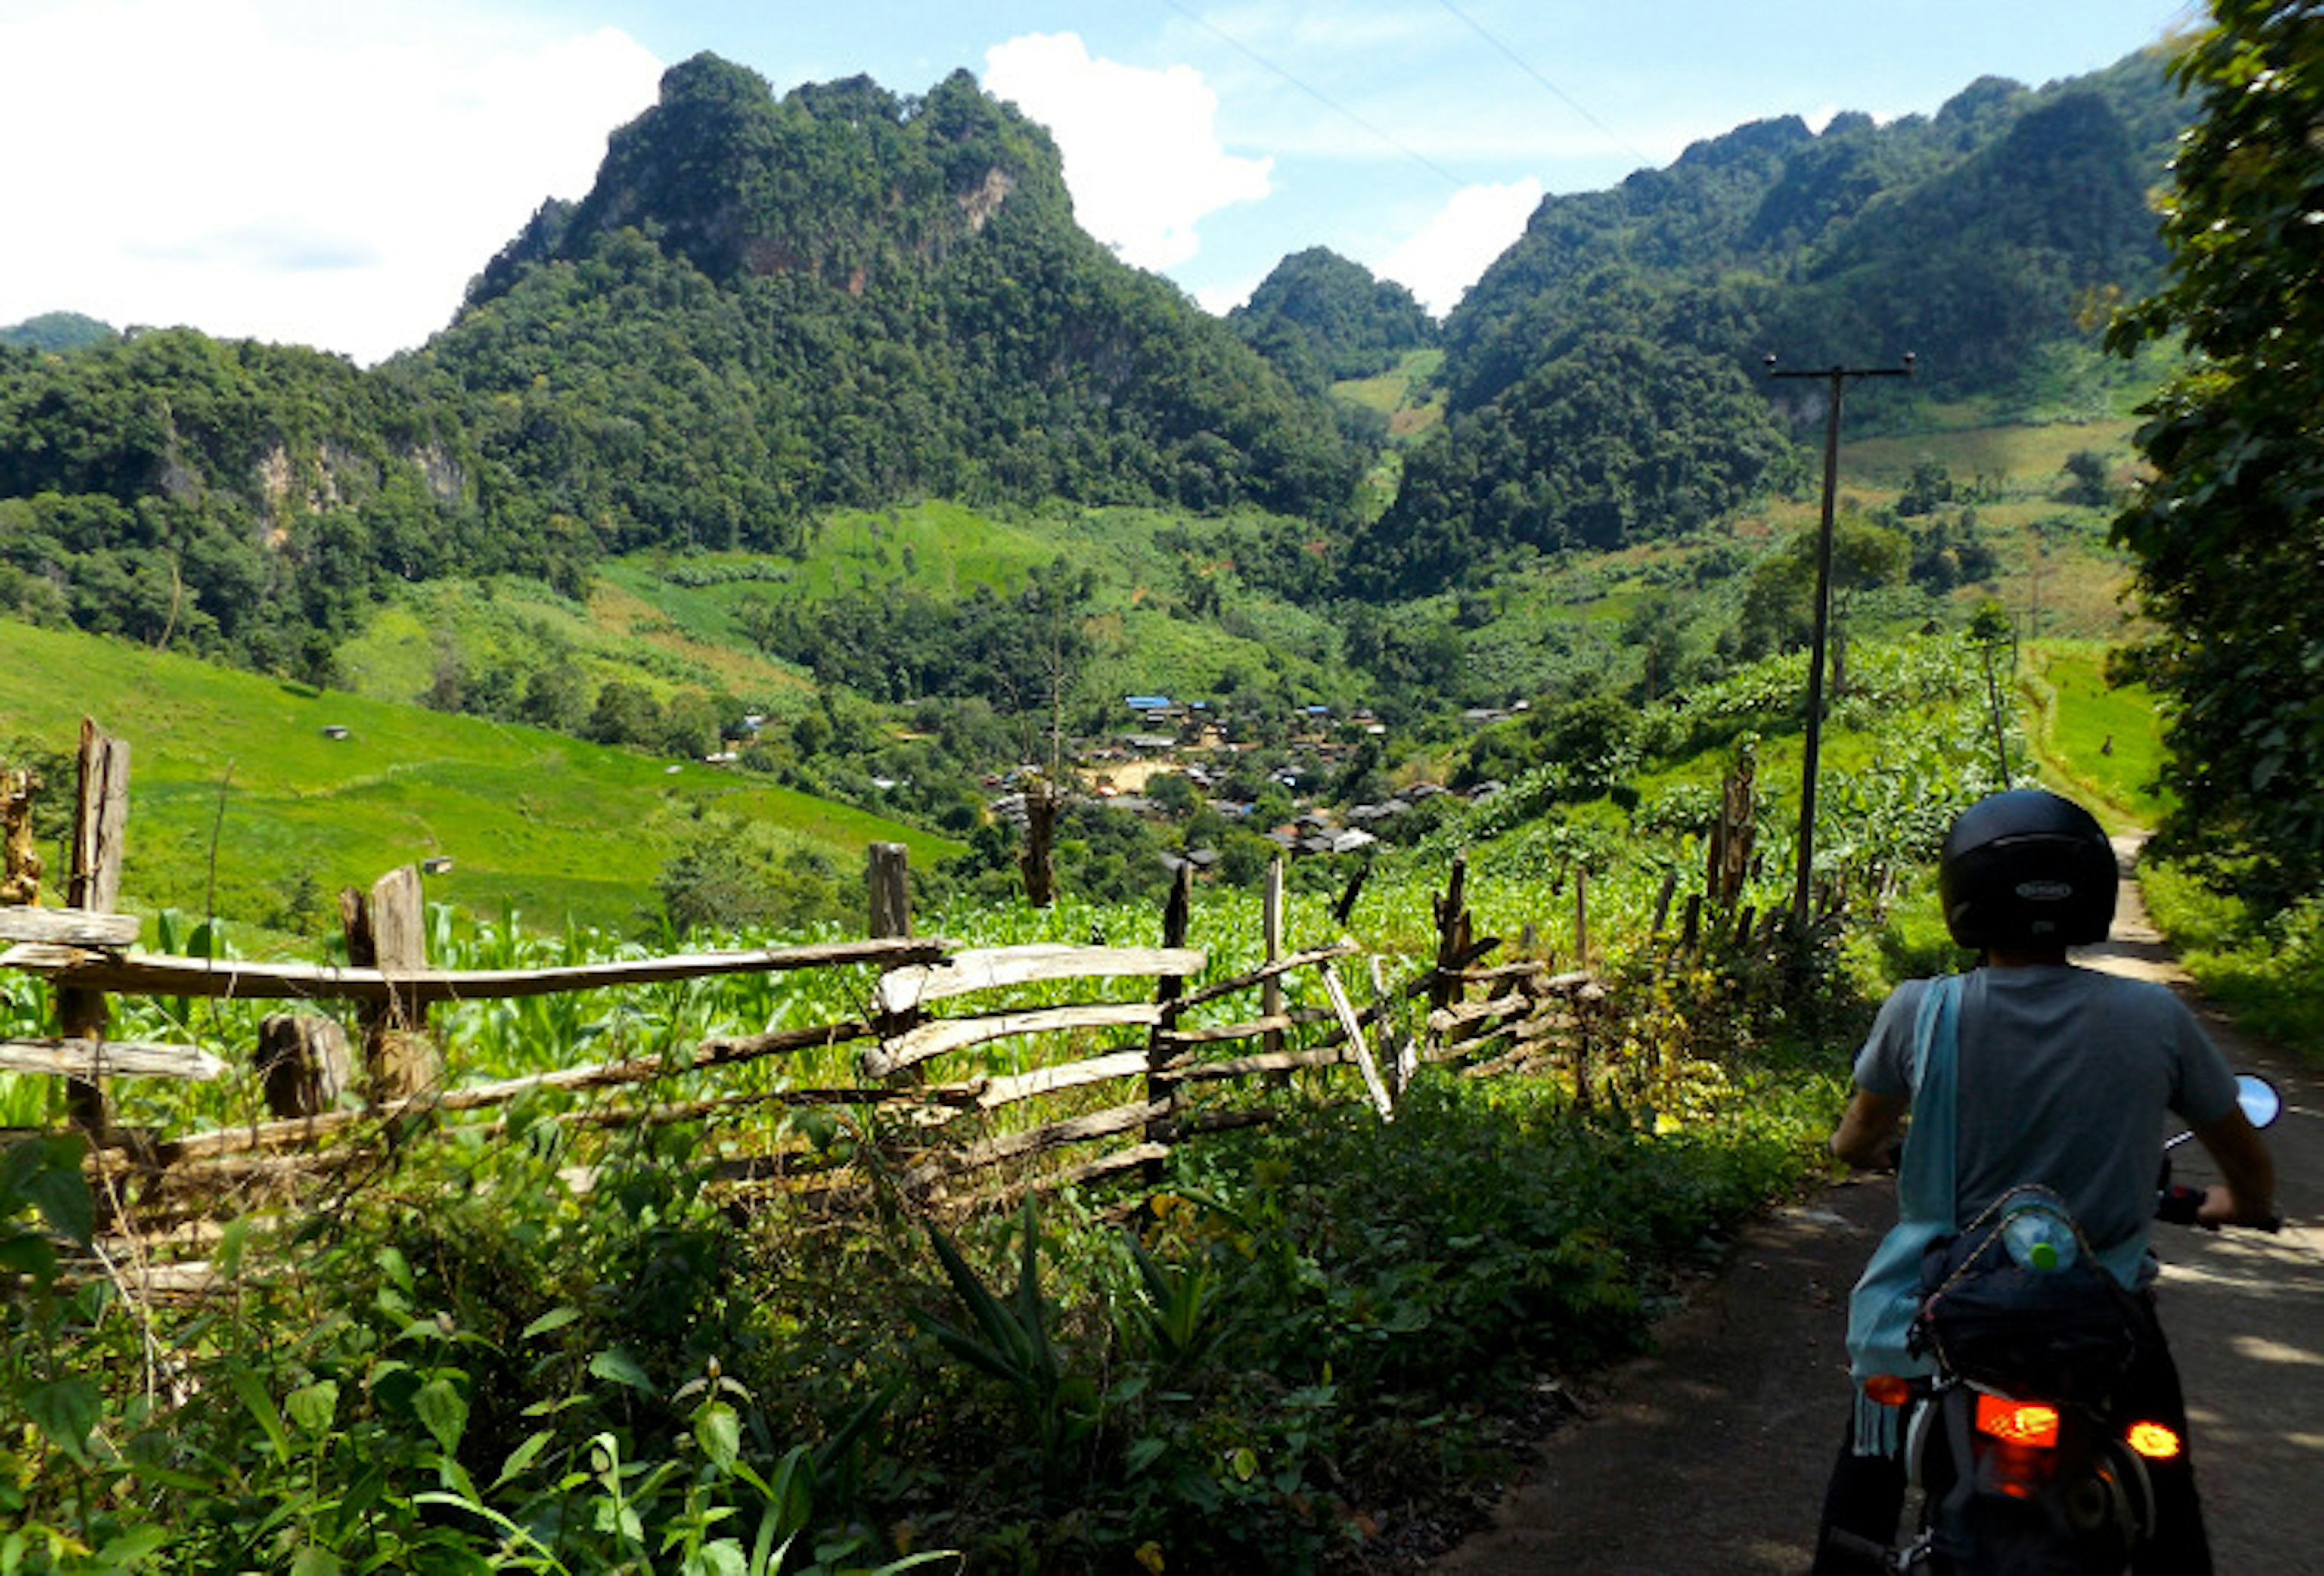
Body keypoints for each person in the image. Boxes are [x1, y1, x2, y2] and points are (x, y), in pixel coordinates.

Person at [1811, 788, 2278, 1575]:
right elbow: (2249, 1164)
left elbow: (1855, 1141)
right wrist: (2240, 1207)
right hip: (2100, 1322)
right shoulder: (2155, 1018)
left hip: (1942, 1315)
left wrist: (1877, 1158)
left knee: (1867, 1480)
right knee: (2168, 1503)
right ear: (2092, 891)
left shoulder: (1919, 1012)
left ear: (1963, 898)